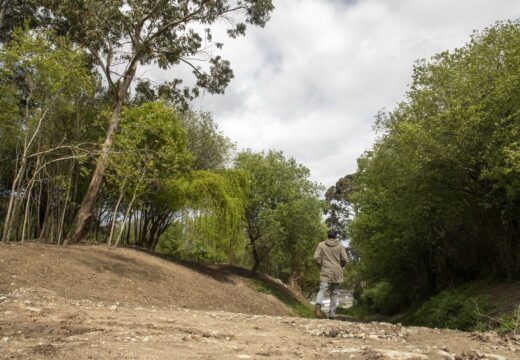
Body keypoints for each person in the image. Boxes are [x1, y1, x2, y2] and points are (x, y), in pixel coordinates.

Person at [313, 229, 348, 319]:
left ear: (327, 235)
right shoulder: (340, 246)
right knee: (334, 293)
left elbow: (316, 257)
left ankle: (318, 305)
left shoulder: (321, 245)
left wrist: (321, 265)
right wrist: (341, 266)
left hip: (325, 269)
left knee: (322, 289)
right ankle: (332, 315)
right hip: (337, 271)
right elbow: (344, 259)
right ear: (336, 236)